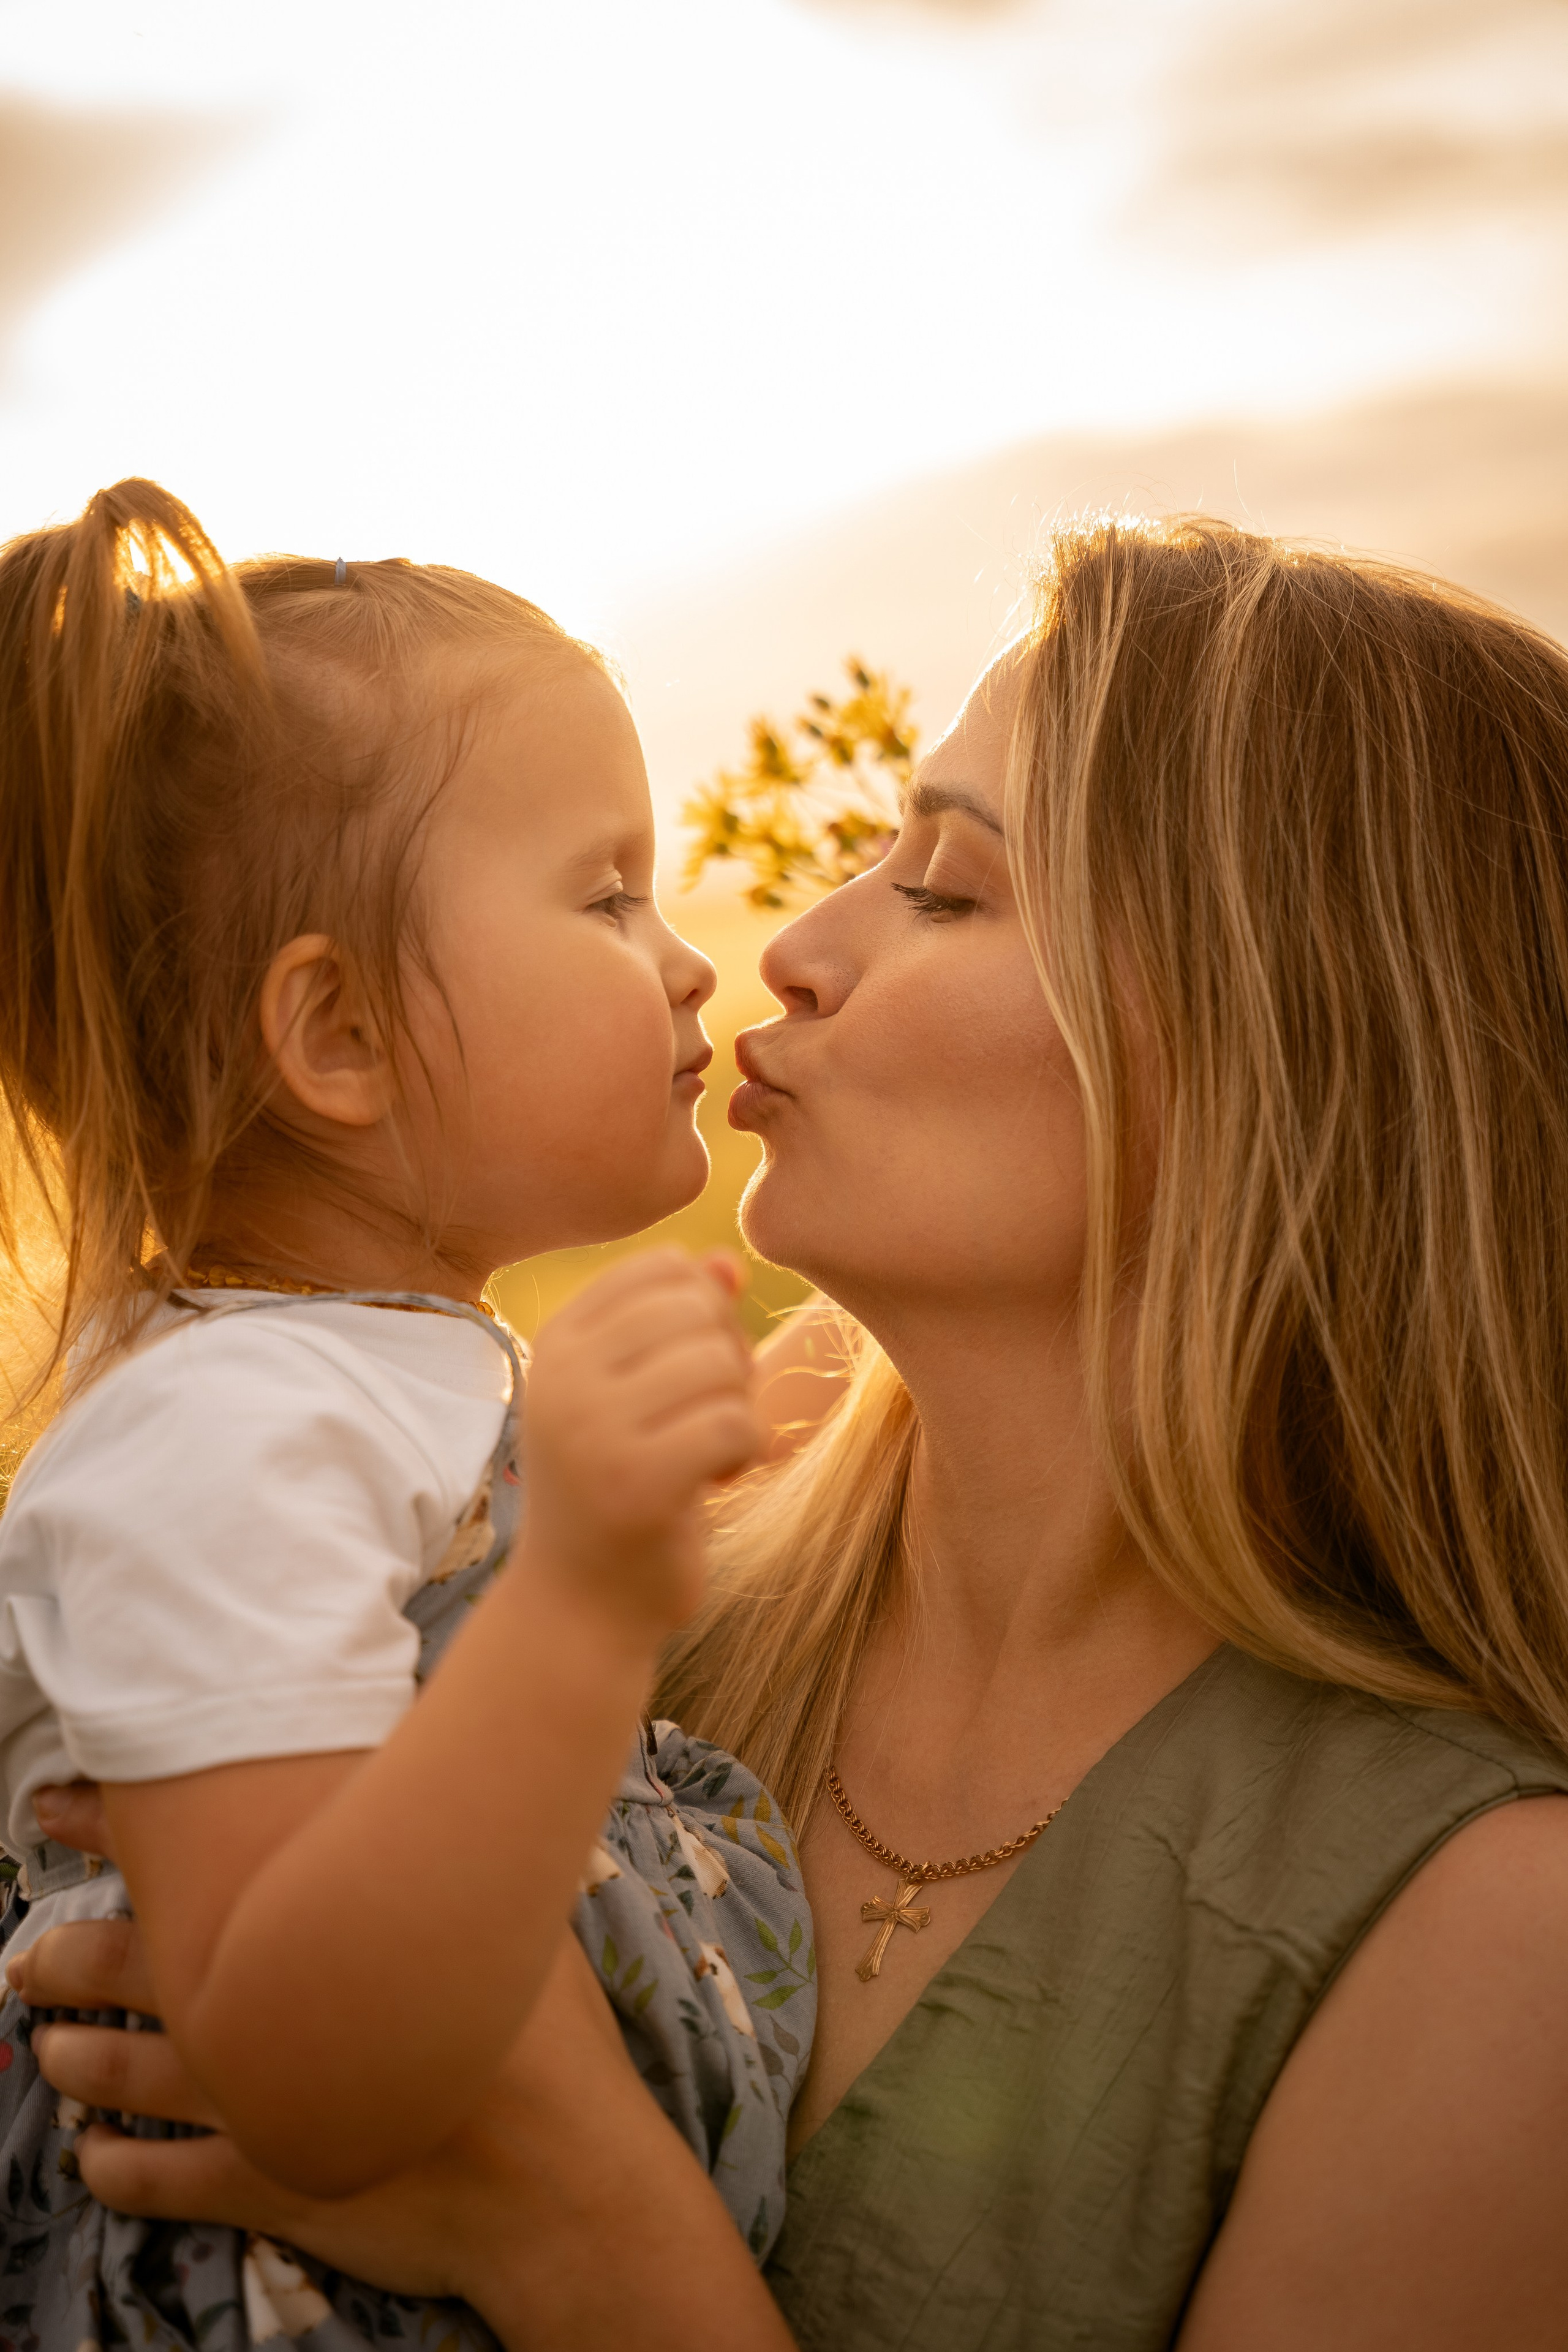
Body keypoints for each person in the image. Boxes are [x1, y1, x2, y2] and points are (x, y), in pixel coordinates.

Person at [20, 512, 1568, 2351]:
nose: (790, 955)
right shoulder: (527, 1595)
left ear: (1284, 1048)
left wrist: (584, 2232)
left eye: (943, 888)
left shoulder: (1489, 1940)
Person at [0, 481, 815, 2349]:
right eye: (606, 895)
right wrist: (590, 1594)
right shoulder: (217, 1442)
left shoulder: (352, 1384)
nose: (690, 959)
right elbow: (308, 2074)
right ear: (341, 1038)